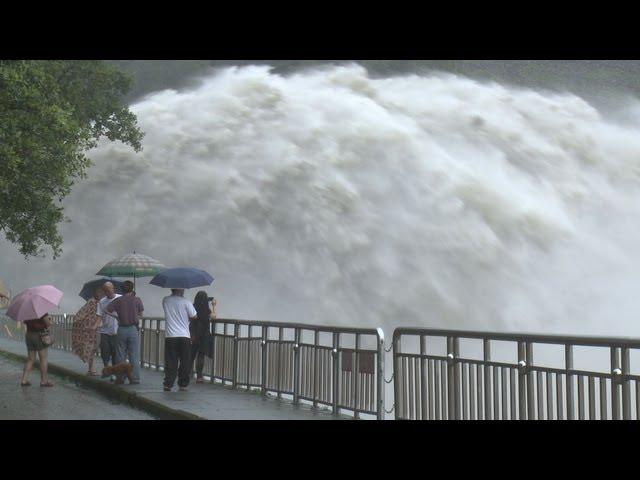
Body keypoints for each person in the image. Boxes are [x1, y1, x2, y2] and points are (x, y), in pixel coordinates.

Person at [106, 280, 144, 384]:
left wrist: (116, 317)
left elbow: (107, 309)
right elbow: (141, 314)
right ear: (132, 289)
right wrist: (135, 316)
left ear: (122, 289)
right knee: (134, 355)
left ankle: (121, 378)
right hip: (133, 329)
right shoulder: (137, 300)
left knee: (120, 355)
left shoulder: (118, 300)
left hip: (121, 329)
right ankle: (135, 378)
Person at [162, 288, 197, 391]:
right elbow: (194, 315)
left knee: (170, 361)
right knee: (185, 360)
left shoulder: (166, 300)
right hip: (184, 335)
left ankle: (168, 383)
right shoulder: (186, 301)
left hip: (170, 336)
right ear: (181, 290)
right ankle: (183, 383)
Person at [71, 285, 104, 375]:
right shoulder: (92, 302)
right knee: (92, 348)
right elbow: (82, 314)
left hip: (96, 329)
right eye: (99, 292)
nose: (101, 294)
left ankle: (91, 368)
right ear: (95, 293)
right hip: (92, 330)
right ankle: (91, 369)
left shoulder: (98, 302)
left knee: (93, 348)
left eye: (102, 292)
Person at [20, 313, 54, 387]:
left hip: (29, 335)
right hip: (39, 335)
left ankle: (24, 380)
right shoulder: (41, 311)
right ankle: (43, 381)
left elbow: (25, 322)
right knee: (43, 358)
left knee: (30, 359)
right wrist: (50, 320)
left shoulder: (27, 311)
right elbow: (48, 323)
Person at [191, 291, 217, 383]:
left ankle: (187, 373)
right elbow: (214, 317)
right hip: (204, 335)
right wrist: (214, 305)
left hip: (193, 334)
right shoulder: (206, 309)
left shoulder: (193, 307)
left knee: (191, 355)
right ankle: (199, 376)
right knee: (201, 355)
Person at [96, 282, 121, 377]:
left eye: (109, 289)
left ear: (113, 288)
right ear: (104, 291)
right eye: (106, 290)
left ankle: (114, 372)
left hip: (117, 331)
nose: (108, 291)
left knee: (115, 354)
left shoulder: (120, 298)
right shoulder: (102, 302)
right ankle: (107, 369)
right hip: (105, 331)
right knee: (105, 353)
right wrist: (94, 327)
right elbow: (99, 316)